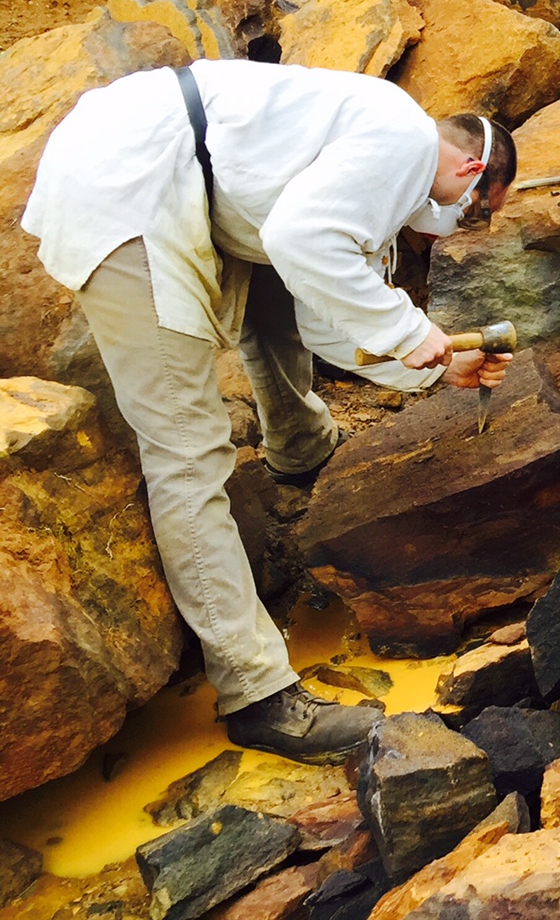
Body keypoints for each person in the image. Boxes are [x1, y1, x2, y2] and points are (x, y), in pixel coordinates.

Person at [21, 59, 516, 764]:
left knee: (276, 293)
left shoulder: (379, 145)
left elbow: (323, 314)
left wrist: (440, 366)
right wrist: (409, 330)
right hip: (128, 183)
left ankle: (300, 448)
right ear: (469, 171)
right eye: (474, 212)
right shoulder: (405, 143)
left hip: (163, 164)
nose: (456, 229)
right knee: (187, 452)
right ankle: (257, 695)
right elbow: (301, 242)